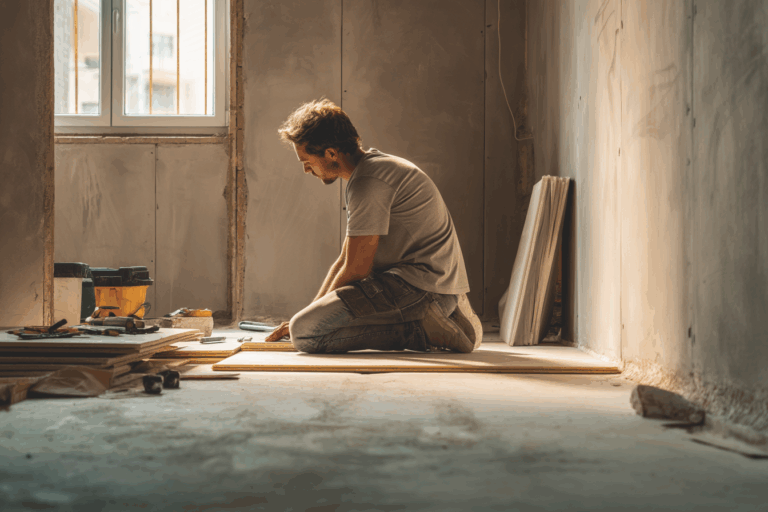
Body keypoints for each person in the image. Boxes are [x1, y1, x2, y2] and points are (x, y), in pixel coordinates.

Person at [265, 99, 482, 353]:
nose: (306, 170)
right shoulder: (374, 169)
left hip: (422, 291)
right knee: (304, 324)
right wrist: (309, 312)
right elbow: (344, 260)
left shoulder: (368, 181)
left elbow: (357, 268)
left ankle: (420, 331)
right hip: (425, 286)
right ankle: (436, 320)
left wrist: (305, 322)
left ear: (331, 154)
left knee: (305, 335)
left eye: (307, 162)